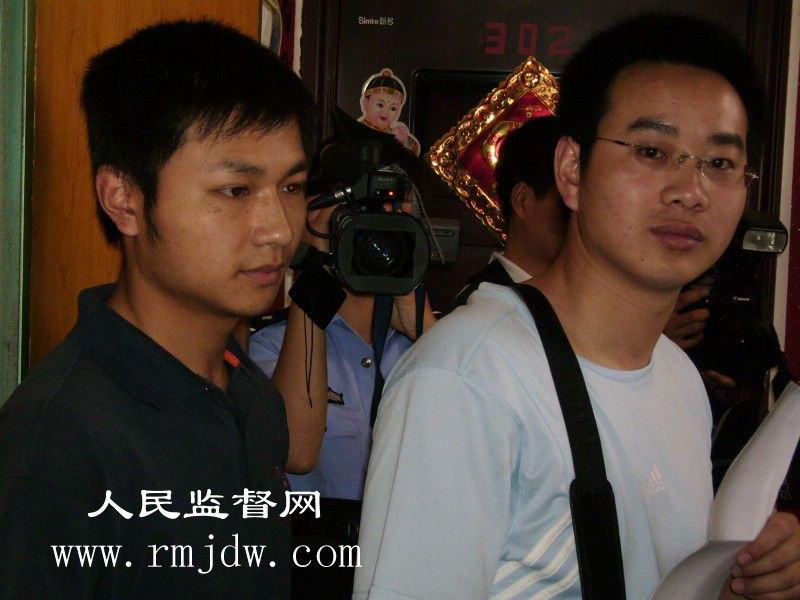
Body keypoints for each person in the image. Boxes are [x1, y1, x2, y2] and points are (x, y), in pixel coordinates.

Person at [355, 13, 800, 600]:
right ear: (571, 170)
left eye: (719, 163)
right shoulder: (465, 379)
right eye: (652, 150)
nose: (690, 191)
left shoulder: (677, 377)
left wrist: (740, 578)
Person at [0, 21, 327, 599]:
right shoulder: (58, 440)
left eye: (292, 187)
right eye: (235, 191)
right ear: (124, 200)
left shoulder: (251, 398)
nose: (279, 229)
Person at [450, 115, 716, 353]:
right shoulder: (475, 316)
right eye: (565, 206)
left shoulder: (603, 302)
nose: (581, 218)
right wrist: (640, 344)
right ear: (523, 201)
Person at [357, 68, 421, 156]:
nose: (385, 112)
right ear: (365, 103)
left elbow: (415, 152)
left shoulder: (394, 135)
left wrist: (405, 140)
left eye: (393, 108)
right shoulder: (356, 130)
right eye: (380, 105)